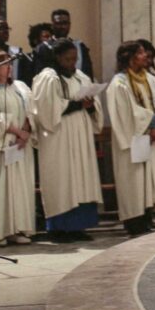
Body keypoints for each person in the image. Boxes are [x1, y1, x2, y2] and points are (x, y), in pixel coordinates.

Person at [31, 40, 103, 242]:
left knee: (81, 179)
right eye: (67, 59)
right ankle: (59, 228)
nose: (72, 63)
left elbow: (94, 108)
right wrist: (76, 105)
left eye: (75, 59)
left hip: (80, 134)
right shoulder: (48, 78)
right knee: (63, 180)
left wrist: (90, 105)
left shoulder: (81, 77)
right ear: (57, 58)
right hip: (58, 137)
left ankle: (78, 227)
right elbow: (45, 111)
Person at [106, 41, 155, 236]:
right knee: (134, 182)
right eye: (141, 53)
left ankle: (147, 217)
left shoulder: (150, 79)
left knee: (148, 182)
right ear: (130, 58)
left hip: (150, 137)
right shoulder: (119, 83)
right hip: (133, 139)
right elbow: (126, 113)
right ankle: (133, 223)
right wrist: (152, 121)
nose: (145, 56)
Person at [0, 48, 36, 245]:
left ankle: (18, 229)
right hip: (1, 148)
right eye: (3, 64)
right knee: (1, 189)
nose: (9, 67)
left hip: (20, 145)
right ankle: (0, 232)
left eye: (10, 63)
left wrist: (25, 132)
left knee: (19, 187)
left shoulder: (20, 87)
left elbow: (31, 110)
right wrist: (17, 132)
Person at [48, 9, 95, 80]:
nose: (62, 27)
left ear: (69, 25)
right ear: (52, 25)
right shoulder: (44, 48)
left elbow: (87, 72)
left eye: (65, 23)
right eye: (59, 23)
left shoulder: (79, 46)